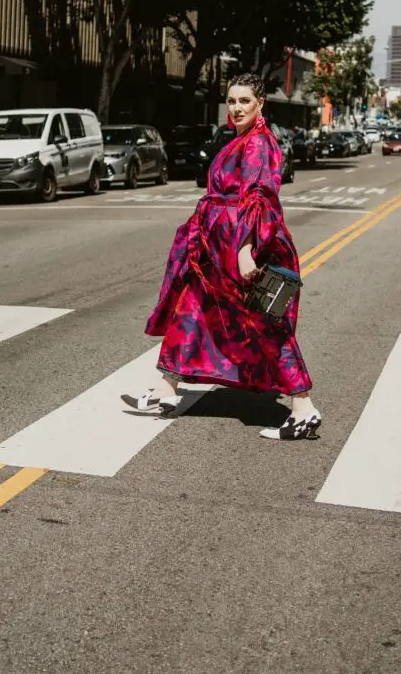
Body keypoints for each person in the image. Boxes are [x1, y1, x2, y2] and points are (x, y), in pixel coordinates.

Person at [122, 73, 321, 441]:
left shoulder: (259, 143)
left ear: (260, 103)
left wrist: (246, 249)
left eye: (245, 101)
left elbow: (259, 196)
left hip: (240, 248)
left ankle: (303, 407)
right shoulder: (241, 139)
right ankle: (168, 387)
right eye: (231, 101)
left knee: (265, 325)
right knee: (192, 307)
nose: (237, 108)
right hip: (216, 247)